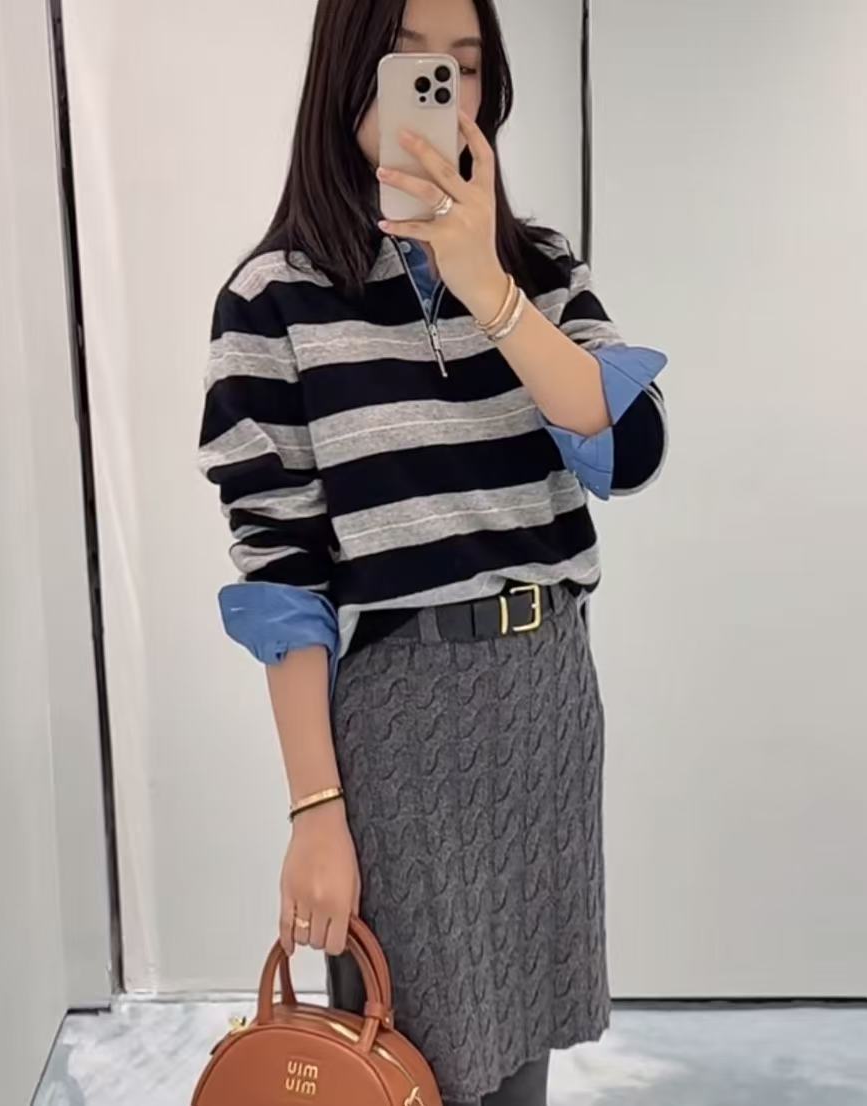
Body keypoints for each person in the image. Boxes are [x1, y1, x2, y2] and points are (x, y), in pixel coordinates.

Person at [197, 1, 668, 1103]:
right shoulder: (272, 301)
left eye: (465, 69)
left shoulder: (536, 270)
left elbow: (630, 449)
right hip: (400, 732)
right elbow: (282, 575)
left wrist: (488, 287)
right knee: (405, 1061)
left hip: (546, 701)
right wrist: (315, 810)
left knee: (518, 1058)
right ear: (349, 75)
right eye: (413, 67)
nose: (441, 96)